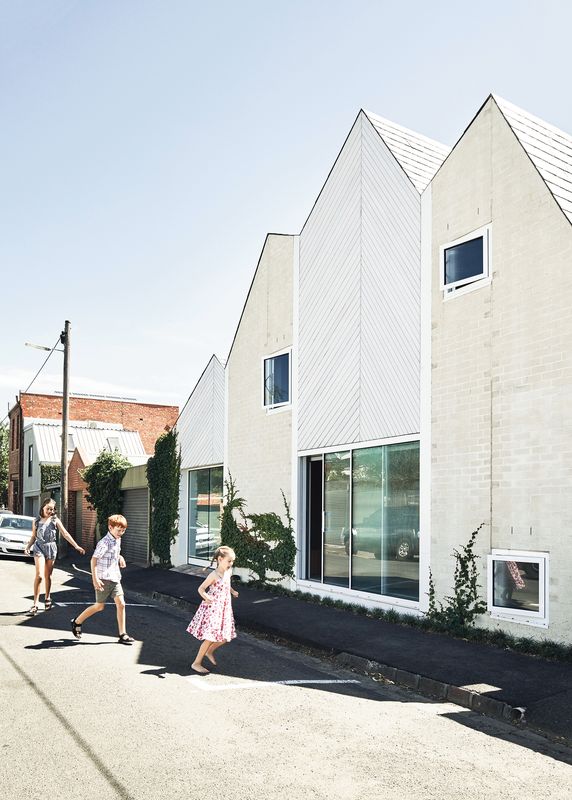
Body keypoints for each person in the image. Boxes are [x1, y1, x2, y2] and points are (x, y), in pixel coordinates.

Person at [70, 513, 134, 645]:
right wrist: (95, 579)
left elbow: (115, 553)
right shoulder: (104, 543)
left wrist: (120, 557)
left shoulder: (117, 539)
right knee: (99, 607)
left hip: (114, 578)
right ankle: (77, 621)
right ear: (110, 528)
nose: (121, 533)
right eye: (118, 530)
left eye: (123, 531)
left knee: (121, 604)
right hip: (103, 579)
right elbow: (93, 560)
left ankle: (123, 634)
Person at [24, 498, 85, 614]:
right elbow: (33, 536)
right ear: (43, 507)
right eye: (48, 508)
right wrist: (27, 547)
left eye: (52, 509)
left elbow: (65, 534)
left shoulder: (54, 520)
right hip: (39, 548)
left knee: (48, 576)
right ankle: (35, 604)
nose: (50, 511)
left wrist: (76, 546)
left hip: (51, 548)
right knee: (40, 575)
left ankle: (47, 597)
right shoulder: (36, 521)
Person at [187, 545, 239, 674]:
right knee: (210, 637)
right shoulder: (213, 575)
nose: (231, 564)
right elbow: (201, 589)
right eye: (229, 561)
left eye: (232, 561)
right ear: (220, 559)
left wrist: (232, 591)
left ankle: (209, 651)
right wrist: (206, 597)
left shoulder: (228, 571)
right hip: (213, 609)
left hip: (224, 609)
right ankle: (196, 663)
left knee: (226, 636)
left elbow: (226, 585)